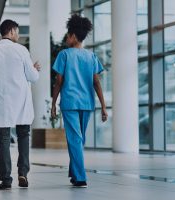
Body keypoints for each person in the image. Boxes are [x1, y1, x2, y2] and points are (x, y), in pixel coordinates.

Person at [0, 19, 40, 190]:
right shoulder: (21, 50)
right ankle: (23, 173)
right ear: (12, 31)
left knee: (3, 140)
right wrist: (34, 69)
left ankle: (6, 180)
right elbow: (33, 77)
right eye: (18, 32)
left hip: (1, 103)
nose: (18, 35)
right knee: (23, 136)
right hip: (21, 102)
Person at [51, 14, 108, 188]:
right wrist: (103, 107)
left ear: (74, 36)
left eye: (68, 35)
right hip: (87, 103)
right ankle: (75, 174)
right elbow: (96, 82)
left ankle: (81, 177)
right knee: (79, 140)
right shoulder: (91, 57)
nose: (67, 39)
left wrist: (53, 103)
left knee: (75, 140)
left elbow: (59, 81)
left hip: (69, 103)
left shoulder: (64, 55)